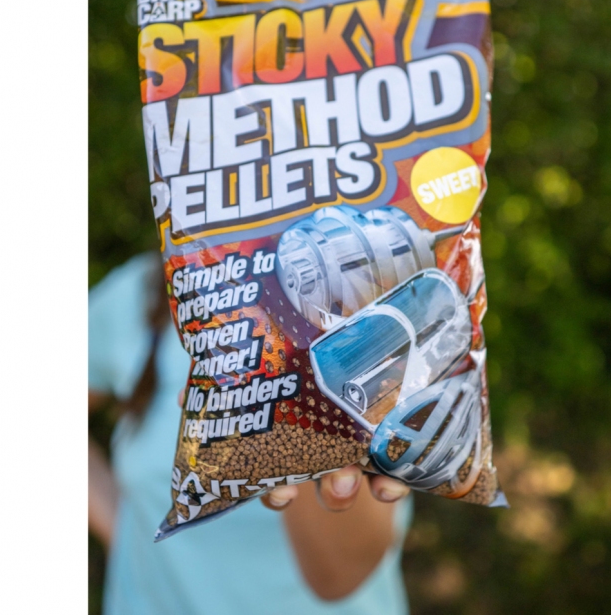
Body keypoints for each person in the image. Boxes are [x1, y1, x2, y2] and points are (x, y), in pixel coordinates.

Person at [89, 252, 412, 614]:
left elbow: (339, 575)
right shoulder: (142, 292)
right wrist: (127, 536)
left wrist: (298, 401)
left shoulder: (364, 290)